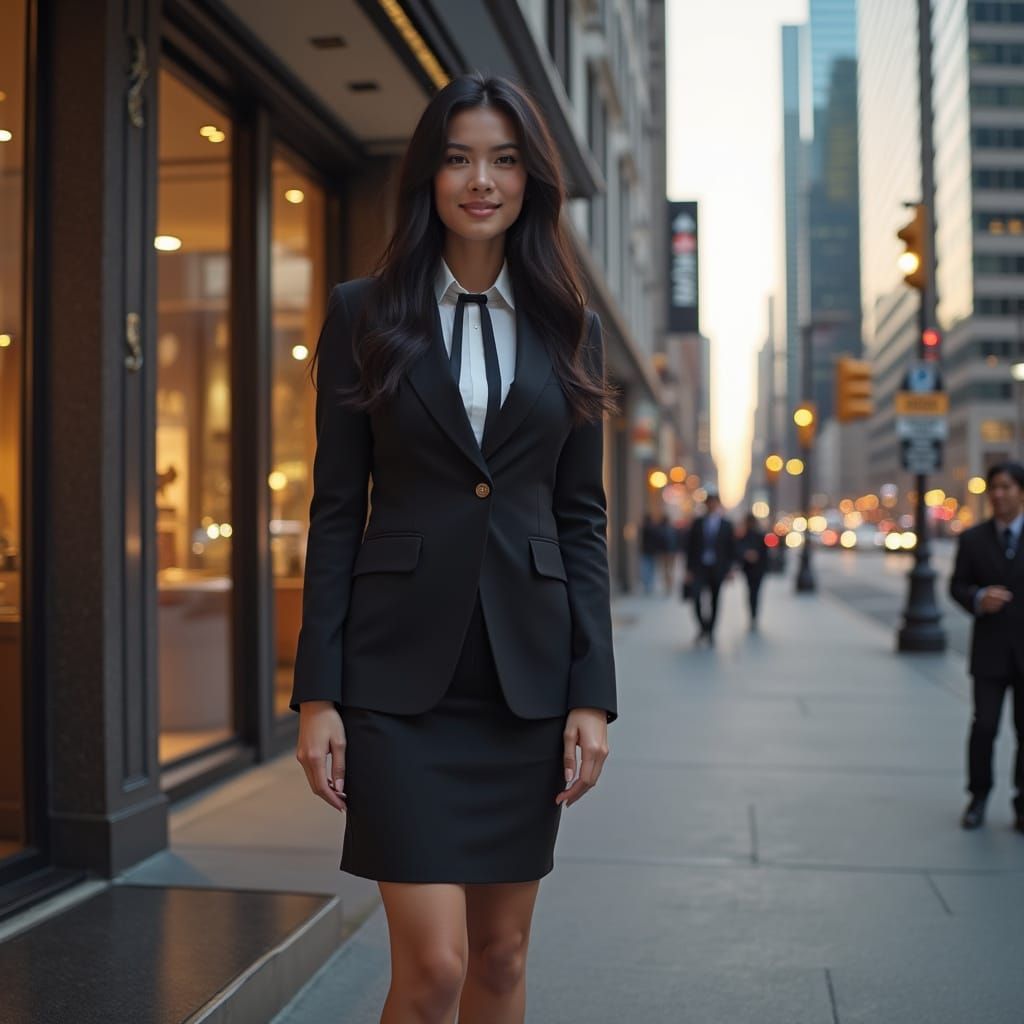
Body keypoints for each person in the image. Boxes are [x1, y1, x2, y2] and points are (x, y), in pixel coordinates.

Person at [290, 73, 618, 1024]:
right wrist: (320, 694)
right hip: (397, 687)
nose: (483, 180)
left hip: (525, 680)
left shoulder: (574, 331)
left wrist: (591, 694)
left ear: (532, 181)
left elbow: (581, 520)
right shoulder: (364, 313)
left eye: (506, 159)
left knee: (503, 959)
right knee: (433, 969)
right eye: (460, 156)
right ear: (429, 174)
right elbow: (336, 511)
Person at [949, 461, 1024, 834]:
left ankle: (1022, 803)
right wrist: (978, 597)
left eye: (1007, 487)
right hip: (990, 654)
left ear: (1020, 492)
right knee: (985, 727)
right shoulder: (973, 539)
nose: (999, 494)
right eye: (994, 487)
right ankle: (978, 797)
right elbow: (956, 586)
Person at [684, 486, 735, 643]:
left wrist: (730, 569)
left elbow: (730, 548)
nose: (711, 505)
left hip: (717, 568)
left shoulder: (727, 525)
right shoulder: (697, 523)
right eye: (709, 502)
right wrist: (688, 570)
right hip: (699, 568)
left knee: (715, 600)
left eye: (714, 502)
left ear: (718, 504)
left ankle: (711, 631)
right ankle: (702, 627)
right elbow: (690, 547)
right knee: (696, 597)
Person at [735, 511, 768, 629]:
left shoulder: (759, 535)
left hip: (757, 569)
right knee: (752, 592)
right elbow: (738, 550)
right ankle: (753, 614)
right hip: (750, 569)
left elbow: (765, 553)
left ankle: (753, 614)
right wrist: (746, 554)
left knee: (754, 593)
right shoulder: (745, 535)